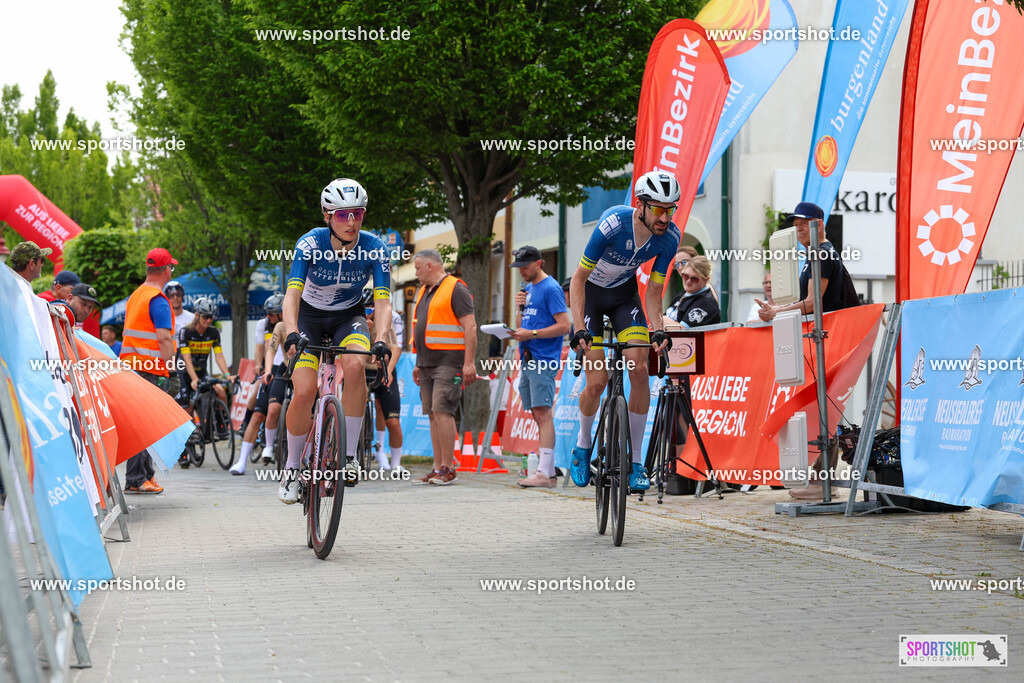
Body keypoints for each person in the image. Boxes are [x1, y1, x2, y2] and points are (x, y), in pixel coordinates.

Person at [278, 178, 394, 504]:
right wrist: (290, 330)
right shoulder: (310, 244)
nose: (352, 222)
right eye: (343, 215)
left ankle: (348, 456)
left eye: (358, 213)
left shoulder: (375, 248)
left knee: (356, 364)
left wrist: (381, 338)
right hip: (308, 320)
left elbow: (383, 302)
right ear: (327, 215)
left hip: (348, 318)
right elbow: (292, 295)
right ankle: (290, 468)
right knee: (303, 391)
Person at [568, 170, 679, 491]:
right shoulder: (613, 223)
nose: (665, 216)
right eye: (658, 208)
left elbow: (654, 292)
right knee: (598, 380)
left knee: (640, 368)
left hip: (623, 298)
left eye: (670, 209)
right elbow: (577, 279)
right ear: (640, 205)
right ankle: (583, 444)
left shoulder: (669, 238)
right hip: (590, 297)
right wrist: (578, 329)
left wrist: (657, 330)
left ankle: (635, 462)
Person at [410, 249, 476, 486]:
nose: (416, 273)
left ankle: (448, 467)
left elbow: (470, 327)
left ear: (430, 266)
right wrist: (418, 361)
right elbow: (421, 327)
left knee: (443, 411)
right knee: (432, 414)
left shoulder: (456, 288)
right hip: (427, 363)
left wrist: (469, 362)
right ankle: (437, 467)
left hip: (450, 363)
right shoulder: (425, 291)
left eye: (418, 268)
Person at [509, 246, 571, 489]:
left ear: (539, 263)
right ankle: (547, 469)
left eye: (525, 266)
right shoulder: (530, 289)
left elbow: (565, 326)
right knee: (537, 414)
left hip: (543, 358)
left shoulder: (551, 288)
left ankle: (545, 473)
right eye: (519, 267)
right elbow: (520, 328)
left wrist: (532, 333)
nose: (521, 271)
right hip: (529, 357)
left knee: (543, 414)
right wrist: (519, 310)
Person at [120, 248, 179, 493]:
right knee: (143, 425)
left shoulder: (137, 296)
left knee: (143, 424)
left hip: (131, 369)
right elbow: (164, 339)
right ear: (166, 271)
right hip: (148, 371)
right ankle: (136, 480)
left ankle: (144, 476)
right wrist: (173, 371)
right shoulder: (157, 300)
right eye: (171, 268)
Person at [231, 294, 289, 475]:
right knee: (258, 408)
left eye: (272, 313)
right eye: (268, 313)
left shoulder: (289, 323)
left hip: (292, 367)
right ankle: (242, 460)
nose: (268, 316)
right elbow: (262, 349)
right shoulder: (264, 325)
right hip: (272, 368)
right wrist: (259, 367)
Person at [757, 202, 842, 321]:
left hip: (824, 332)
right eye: (796, 225)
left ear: (819, 225)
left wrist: (776, 312)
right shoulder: (818, 253)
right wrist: (777, 309)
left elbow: (812, 303)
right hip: (822, 331)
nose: (798, 228)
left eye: (804, 223)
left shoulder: (821, 254)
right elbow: (806, 301)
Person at [364, 289, 405, 473]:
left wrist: (388, 371)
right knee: (358, 410)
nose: (369, 313)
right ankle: (362, 450)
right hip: (362, 370)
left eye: (370, 308)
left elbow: (395, 348)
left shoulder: (386, 318)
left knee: (393, 421)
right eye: (364, 310)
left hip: (382, 369)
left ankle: (395, 462)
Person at [664, 256, 720, 328]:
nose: (688, 281)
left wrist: (662, 320)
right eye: (685, 276)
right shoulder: (682, 294)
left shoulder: (706, 302)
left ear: (706, 280)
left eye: (694, 279)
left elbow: (683, 331)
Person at [164, 280, 194, 402]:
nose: (175, 298)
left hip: (189, 359)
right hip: (170, 359)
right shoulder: (164, 316)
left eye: (178, 295)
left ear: (182, 297)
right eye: (171, 296)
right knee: (172, 393)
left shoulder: (191, 317)